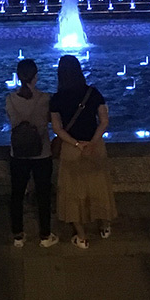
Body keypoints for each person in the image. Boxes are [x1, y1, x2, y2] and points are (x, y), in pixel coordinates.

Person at [49, 54, 116, 249]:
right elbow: (104, 121)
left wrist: (77, 144)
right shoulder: (93, 93)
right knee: (99, 186)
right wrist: (92, 142)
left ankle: (82, 237)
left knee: (72, 192)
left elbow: (57, 128)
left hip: (71, 148)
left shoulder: (57, 99)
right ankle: (105, 226)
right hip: (95, 147)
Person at [5, 58, 57, 248]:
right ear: (36, 77)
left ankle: (18, 235)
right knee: (43, 194)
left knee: (17, 194)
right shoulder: (45, 99)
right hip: (41, 153)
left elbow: (11, 120)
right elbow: (51, 121)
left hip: (18, 153)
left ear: (18, 77)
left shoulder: (10, 99)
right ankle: (45, 235)